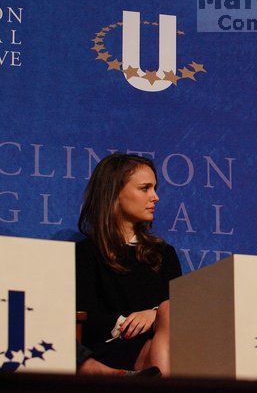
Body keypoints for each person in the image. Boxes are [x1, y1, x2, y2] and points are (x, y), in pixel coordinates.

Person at [76, 153, 182, 376]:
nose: (156, 197)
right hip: (111, 348)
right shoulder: (86, 253)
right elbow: (85, 316)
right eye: (145, 188)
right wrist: (126, 323)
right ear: (114, 193)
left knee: (171, 312)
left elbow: (179, 309)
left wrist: (154, 314)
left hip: (159, 344)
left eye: (155, 188)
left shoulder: (164, 253)